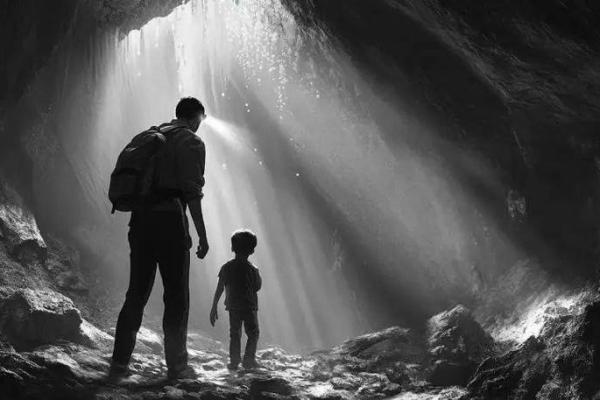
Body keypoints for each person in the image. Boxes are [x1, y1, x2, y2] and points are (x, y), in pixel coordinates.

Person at [109, 97, 210, 380]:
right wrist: (201, 234)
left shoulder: (150, 135)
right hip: (169, 222)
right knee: (176, 296)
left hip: (140, 221)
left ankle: (119, 363)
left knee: (136, 294)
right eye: (201, 121)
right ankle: (177, 366)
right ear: (195, 118)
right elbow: (192, 191)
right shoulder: (190, 141)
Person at [210, 229, 262, 370]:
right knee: (253, 333)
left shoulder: (227, 267)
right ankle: (249, 359)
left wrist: (214, 305)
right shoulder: (253, 270)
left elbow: (220, 287)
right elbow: (257, 286)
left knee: (235, 333)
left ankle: (234, 361)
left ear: (233, 247)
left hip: (233, 306)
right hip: (250, 307)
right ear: (252, 250)